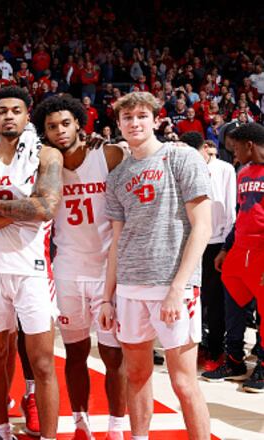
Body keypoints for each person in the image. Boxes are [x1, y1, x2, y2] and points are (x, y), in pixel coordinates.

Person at [98, 91, 212, 439]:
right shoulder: (117, 177)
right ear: (118, 124)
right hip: (131, 287)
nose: (135, 123)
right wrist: (107, 297)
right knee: (136, 376)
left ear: (156, 120)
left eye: (141, 116)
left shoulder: (181, 159)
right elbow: (117, 241)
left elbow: (203, 226)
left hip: (172, 285)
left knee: (183, 382)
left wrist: (180, 287)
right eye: (127, 118)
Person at [32, 95, 127, 440]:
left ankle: (117, 428)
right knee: (75, 353)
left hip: (106, 271)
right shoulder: (43, 165)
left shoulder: (110, 155)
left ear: (78, 123)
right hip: (68, 270)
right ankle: (80, 422)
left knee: (114, 357)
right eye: (52, 126)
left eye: (65, 123)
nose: (60, 131)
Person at [0, 87, 63, 440]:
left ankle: (48, 436)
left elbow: (46, 208)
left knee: (42, 362)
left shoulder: (47, 155)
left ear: (28, 115)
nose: (9, 116)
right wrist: (20, 210)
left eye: (16, 110)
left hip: (32, 270)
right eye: (2, 111)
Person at [179, 133, 237, 369]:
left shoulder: (224, 169)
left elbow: (231, 207)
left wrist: (226, 244)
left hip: (216, 241)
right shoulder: (185, 168)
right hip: (191, 239)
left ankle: (216, 348)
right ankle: (198, 346)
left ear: (205, 148)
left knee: (214, 300)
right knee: (194, 297)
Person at [218, 124, 264, 392]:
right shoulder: (243, 172)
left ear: (249, 145)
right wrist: (226, 248)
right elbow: (241, 215)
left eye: (235, 148)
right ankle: (235, 359)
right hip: (241, 249)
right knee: (233, 300)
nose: (233, 154)